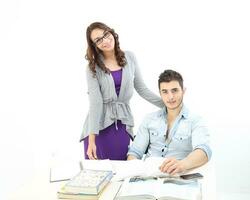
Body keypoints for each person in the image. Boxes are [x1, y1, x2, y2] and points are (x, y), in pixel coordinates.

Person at [80, 22, 164, 160]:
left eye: (105, 34)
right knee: (100, 175)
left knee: (122, 172)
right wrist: (92, 140)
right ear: (94, 45)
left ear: (111, 32)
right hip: (99, 128)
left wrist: (167, 105)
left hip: (122, 124)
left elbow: (142, 88)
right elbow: (95, 103)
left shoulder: (129, 57)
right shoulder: (92, 67)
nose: (105, 41)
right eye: (98, 40)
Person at [127, 69, 212, 175]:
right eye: (165, 92)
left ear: (183, 91)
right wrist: (133, 173)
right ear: (160, 94)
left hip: (177, 176)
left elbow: (204, 152)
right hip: (148, 176)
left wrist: (182, 164)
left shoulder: (195, 121)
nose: (170, 97)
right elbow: (135, 152)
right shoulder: (149, 119)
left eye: (175, 90)